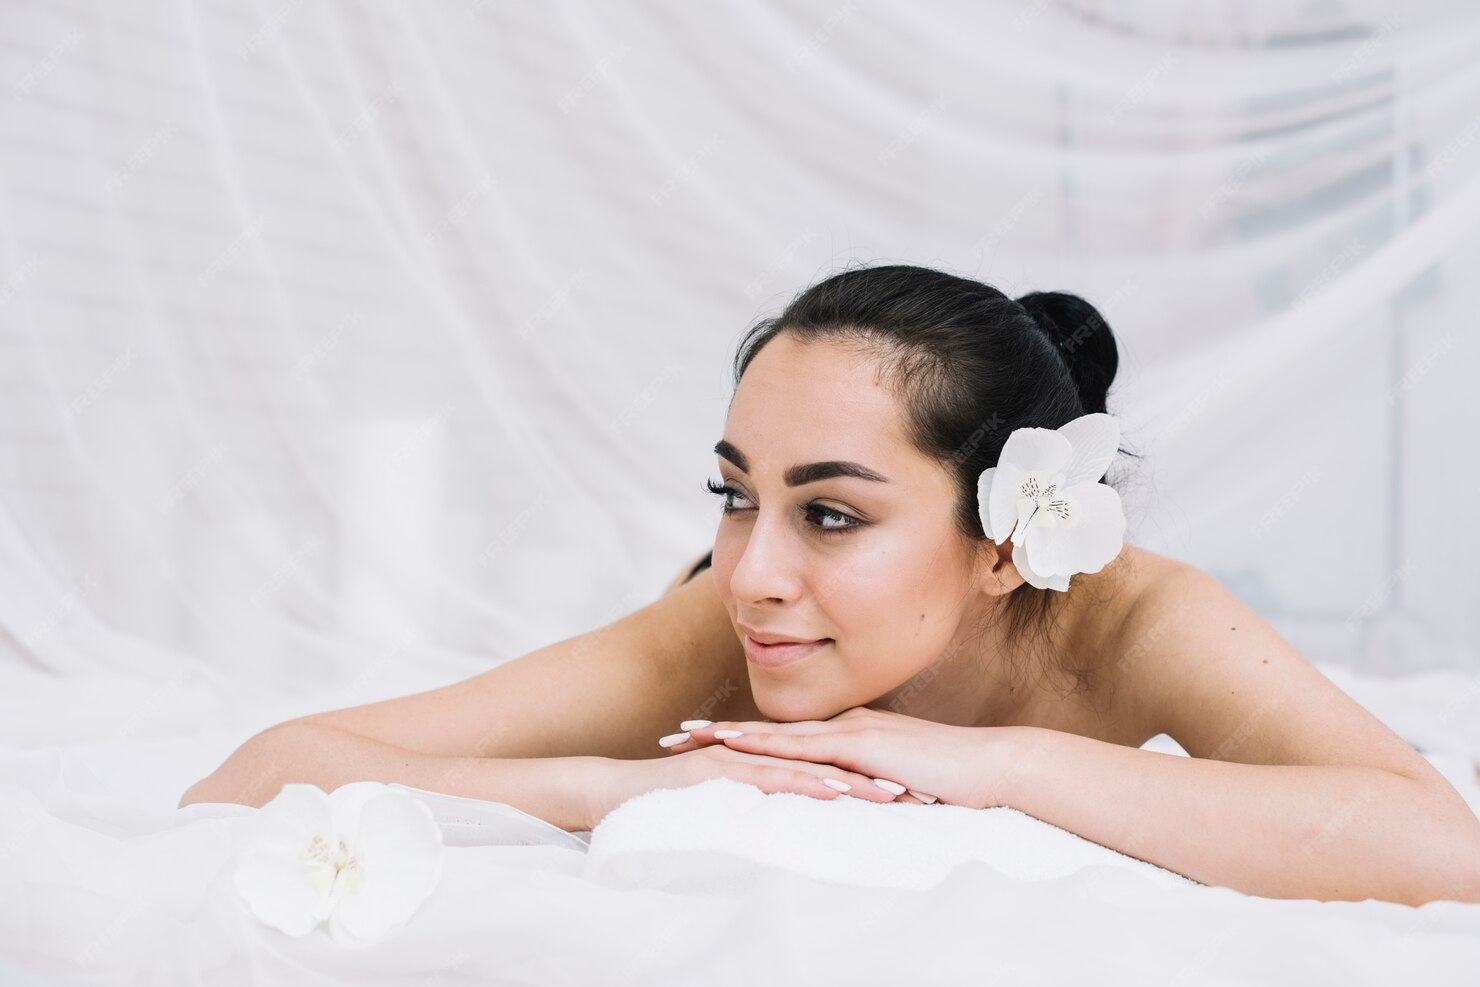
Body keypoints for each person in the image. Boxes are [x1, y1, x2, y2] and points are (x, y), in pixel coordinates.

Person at [180, 264, 1480, 905]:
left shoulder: (1137, 620)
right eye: (736, 493)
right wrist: (613, 786)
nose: (752, 575)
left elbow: (1442, 849)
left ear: (1004, 543)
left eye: (834, 514)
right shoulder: (715, 625)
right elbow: (254, 774)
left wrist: (996, 764)